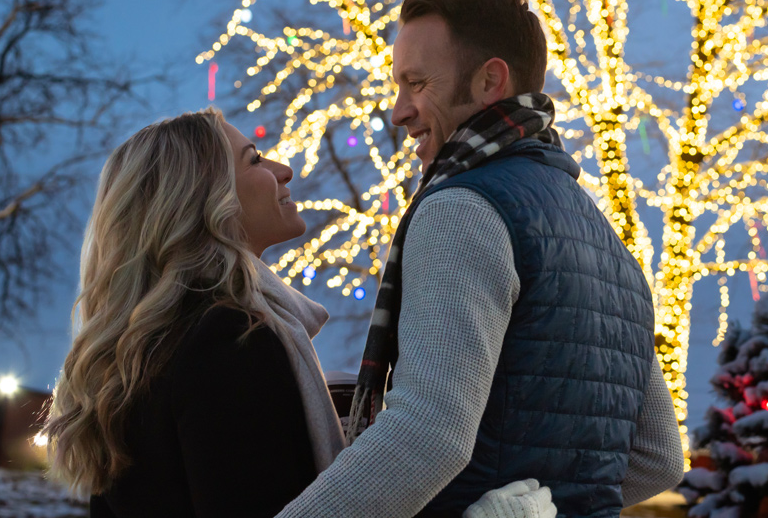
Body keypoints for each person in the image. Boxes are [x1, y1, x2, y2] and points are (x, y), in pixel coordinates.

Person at [274, 0, 685, 518]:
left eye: (417, 83)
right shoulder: (604, 237)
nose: (398, 111)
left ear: (491, 79)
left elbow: (428, 434)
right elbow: (658, 457)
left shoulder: (463, 209)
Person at [41, 108, 556, 518]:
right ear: (202, 201)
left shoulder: (143, 353)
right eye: (255, 160)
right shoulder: (229, 339)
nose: (283, 170)